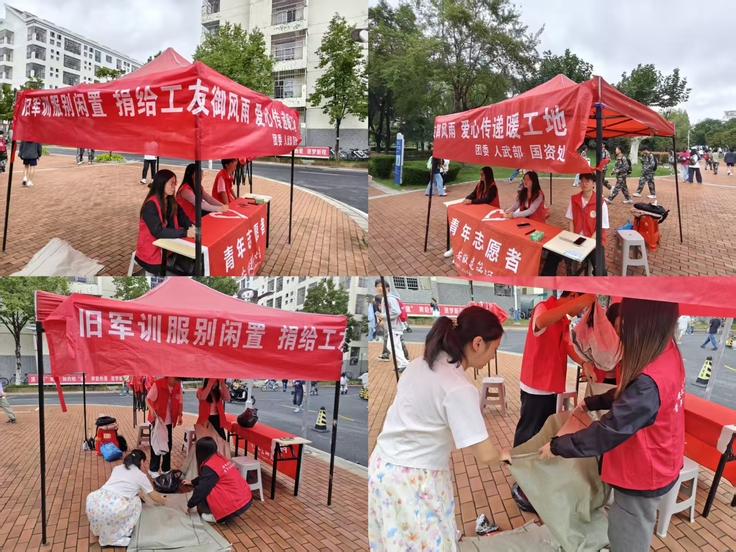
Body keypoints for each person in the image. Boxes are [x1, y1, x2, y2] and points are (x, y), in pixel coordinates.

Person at [540, 299, 685, 552]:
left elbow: (608, 430)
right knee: (631, 526)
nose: (620, 333)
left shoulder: (648, 382)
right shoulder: (668, 352)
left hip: (643, 471)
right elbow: (628, 394)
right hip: (662, 458)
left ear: (641, 324)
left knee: (627, 536)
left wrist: (557, 446)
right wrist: (593, 402)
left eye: (623, 325)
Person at [368, 307, 511, 549]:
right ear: (478, 343)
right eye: (494, 350)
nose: (492, 357)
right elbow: (485, 454)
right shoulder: (458, 388)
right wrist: (504, 455)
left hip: (382, 468)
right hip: (414, 482)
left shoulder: (418, 364)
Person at [511, 291, 595, 513]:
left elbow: (567, 346)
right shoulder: (543, 307)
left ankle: (532, 473)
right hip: (536, 385)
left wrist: (584, 363)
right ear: (572, 295)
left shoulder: (563, 320)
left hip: (550, 385)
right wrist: (575, 304)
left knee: (541, 431)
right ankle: (520, 475)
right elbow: (540, 322)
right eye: (581, 306)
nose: (581, 311)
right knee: (528, 431)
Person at [86, 450, 167, 547]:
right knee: (136, 501)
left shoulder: (117, 468)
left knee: (133, 497)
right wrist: (163, 500)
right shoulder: (140, 475)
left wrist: (137, 492)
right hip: (111, 509)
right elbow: (154, 496)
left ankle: (104, 527)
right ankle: (122, 531)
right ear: (141, 462)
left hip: (94, 502)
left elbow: (124, 484)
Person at [541, 172, 609, 276]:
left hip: (594, 241)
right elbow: (571, 220)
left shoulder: (601, 202)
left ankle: (599, 286)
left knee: (600, 270)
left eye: (587, 181)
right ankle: (546, 279)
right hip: (576, 237)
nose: (584, 184)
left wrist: (589, 242)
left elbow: (601, 227)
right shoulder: (574, 199)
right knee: (553, 253)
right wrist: (572, 237)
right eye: (582, 181)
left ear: (594, 184)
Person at [135, 170, 196, 276]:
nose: (174, 187)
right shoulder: (151, 205)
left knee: (191, 263)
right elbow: (158, 231)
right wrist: (185, 233)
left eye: (175, 183)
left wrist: (192, 227)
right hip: (152, 253)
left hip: (168, 248)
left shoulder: (170, 200)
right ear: (161, 184)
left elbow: (182, 217)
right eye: (171, 183)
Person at [182, 438, 252, 524]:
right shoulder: (219, 457)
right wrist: (192, 482)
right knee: (208, 485)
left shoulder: (209, 466)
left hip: (234, 504)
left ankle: (218, 517)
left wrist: (189, 505)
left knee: (206, 490)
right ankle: (225, 513)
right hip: (244, 497)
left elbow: (202, 489)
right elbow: (207, 477)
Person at [146, 376, 184, 478]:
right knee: (156, 444)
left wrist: (180, 415)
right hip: (157, 419)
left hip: (169, 420)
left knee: (168, 445)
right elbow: (148, 399)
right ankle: (153, 469)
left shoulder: (178, 386)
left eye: (179, 380)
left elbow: (180, 402)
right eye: (176, 379)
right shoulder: (158, 384)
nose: (176, 382)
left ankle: (165, 468)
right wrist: (152, 409)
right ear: (169, 376)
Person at [374, 279, 409, 372]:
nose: (379, 288)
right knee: (397, 346)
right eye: (377, 286)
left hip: (395, 326)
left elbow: (397, 311)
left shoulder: (389, 298)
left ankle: (405, 363)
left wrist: (383, 316)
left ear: (387, 288)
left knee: (391, 346)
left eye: (381, 286)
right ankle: (404, 363)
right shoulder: (387, 298)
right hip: (394, 326)